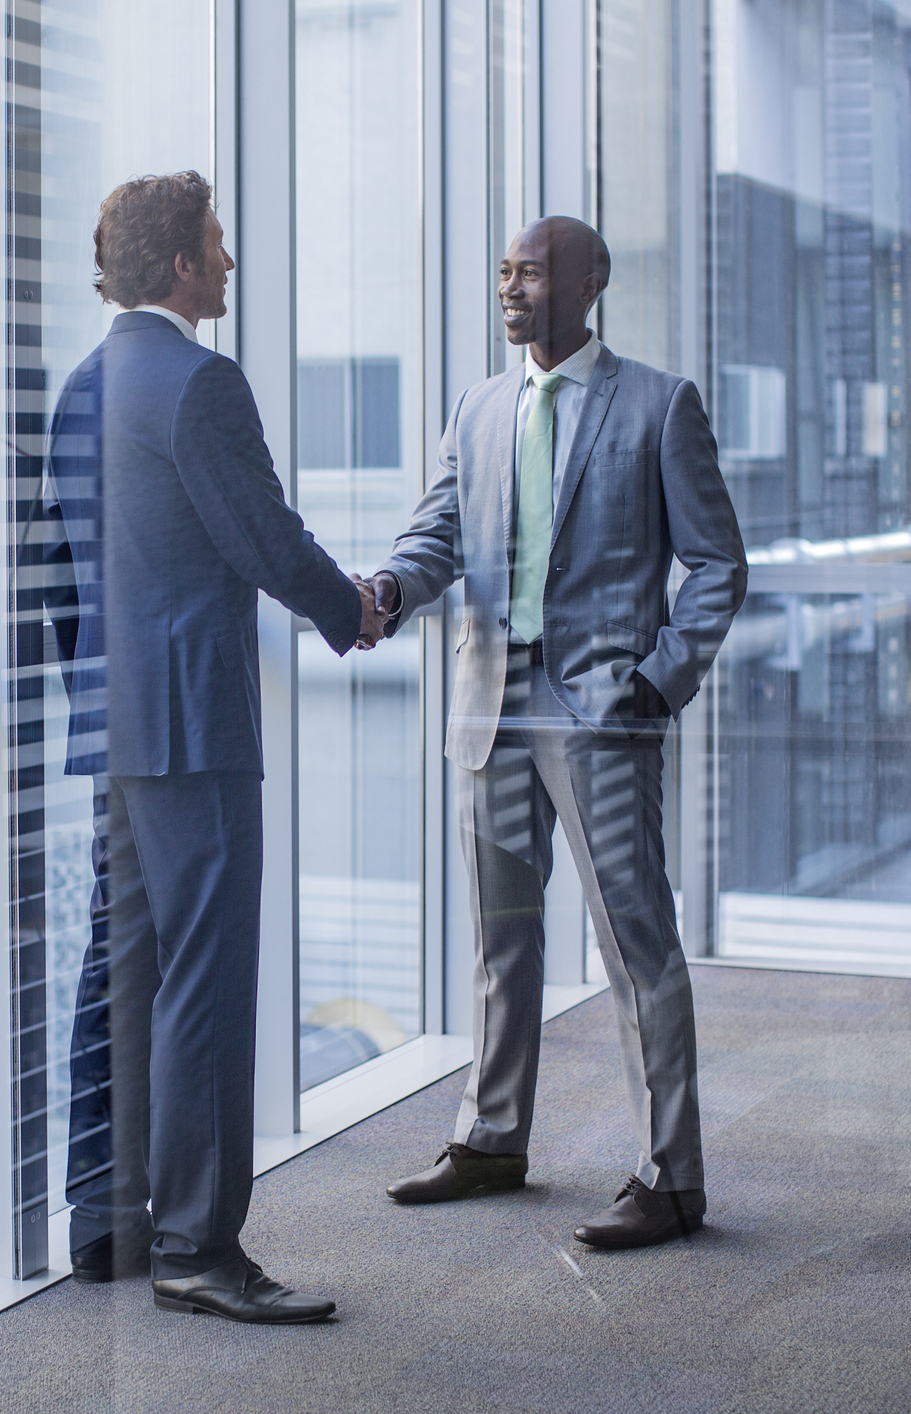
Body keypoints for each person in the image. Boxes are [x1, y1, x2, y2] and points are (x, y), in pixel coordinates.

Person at [361, 215, 746, 1249]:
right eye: (504, 271)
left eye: (530, 270)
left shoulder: (660, 406)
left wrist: (660, 681)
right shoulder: (481, 406)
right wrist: (392, 587)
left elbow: (717, 564)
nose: (510, 286)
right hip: (490, 699)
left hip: (599, 713)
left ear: (590, 281)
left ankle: (672, 1176)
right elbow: (438, 530)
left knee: (636, 945)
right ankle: (492, 1137)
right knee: (501, 938)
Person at [40, 171, 384, 1323]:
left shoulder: (82, 387)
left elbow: (58, 579)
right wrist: (354, 609)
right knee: (203, 983)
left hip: (117, 725)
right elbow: (264, 539)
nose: (229, 265)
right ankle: (196, 1247)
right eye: (218, 247)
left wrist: (102, 686)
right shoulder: (199, 380)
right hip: (195, 727)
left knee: (121, 972)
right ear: (182, 264)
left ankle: (108, 1219)